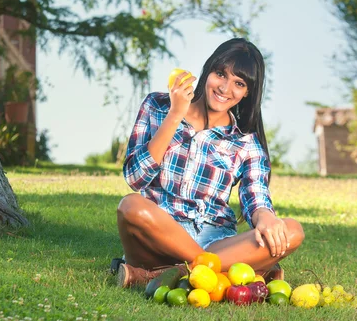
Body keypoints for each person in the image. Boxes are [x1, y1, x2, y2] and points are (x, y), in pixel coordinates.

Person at [113, 38, 305, 288]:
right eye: (220, 74)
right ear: (208, 70)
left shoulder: (246, 143)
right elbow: (135, 178)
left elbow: (256, 197)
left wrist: (265, 216)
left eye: (239, 83)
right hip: (158, 235)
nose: (225, 88)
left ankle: (161, 275)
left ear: (248, 92)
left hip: (216, 240)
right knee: (130, 206)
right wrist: (175, 114)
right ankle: (221, 274)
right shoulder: (157, 106)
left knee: (292, 231)